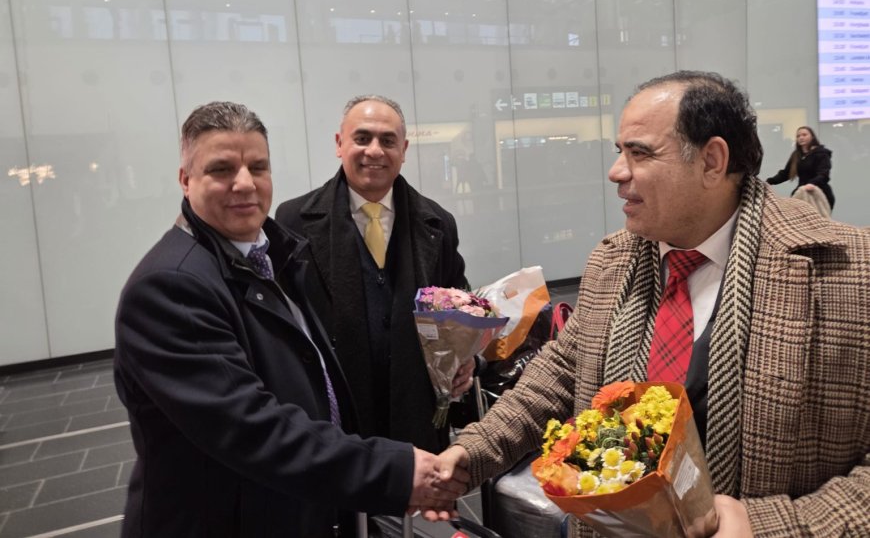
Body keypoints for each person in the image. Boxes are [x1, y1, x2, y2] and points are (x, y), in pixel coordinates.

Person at [432, 72, 870, 537]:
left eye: (639, 153)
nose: (616, 172)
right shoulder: (614, 261)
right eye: (619, 151)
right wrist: (474, 451)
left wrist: (773, 528)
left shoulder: (847, 273)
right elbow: (562, 372)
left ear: (712, 161)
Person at [113, 101, 466, 538]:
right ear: (186, 180)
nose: (245, 183)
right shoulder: (171, 287)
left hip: (297, 497)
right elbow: (251, 428)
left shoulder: (270, 255)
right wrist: (392, 471)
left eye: (257, 167)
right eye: (222, 169)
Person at [275, 95, 473, 454]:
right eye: (362, 138)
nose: (375, 151)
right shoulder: (292, 222)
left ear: (404, 150)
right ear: (340, 144)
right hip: (336, 423)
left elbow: (460, 303)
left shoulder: (438, 223)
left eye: (388, 140)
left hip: (417, 418)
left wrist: (467, 357)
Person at [766, 125, 835, 212]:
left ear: (812, 137)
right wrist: (769, 182)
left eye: (804, 135)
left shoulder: (821, 153)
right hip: (802, 194)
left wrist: (812, 184)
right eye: (798, 136)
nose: (801, 137)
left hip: (819, 194)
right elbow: (786, 173)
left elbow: (823, 174)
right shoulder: (796, 155)